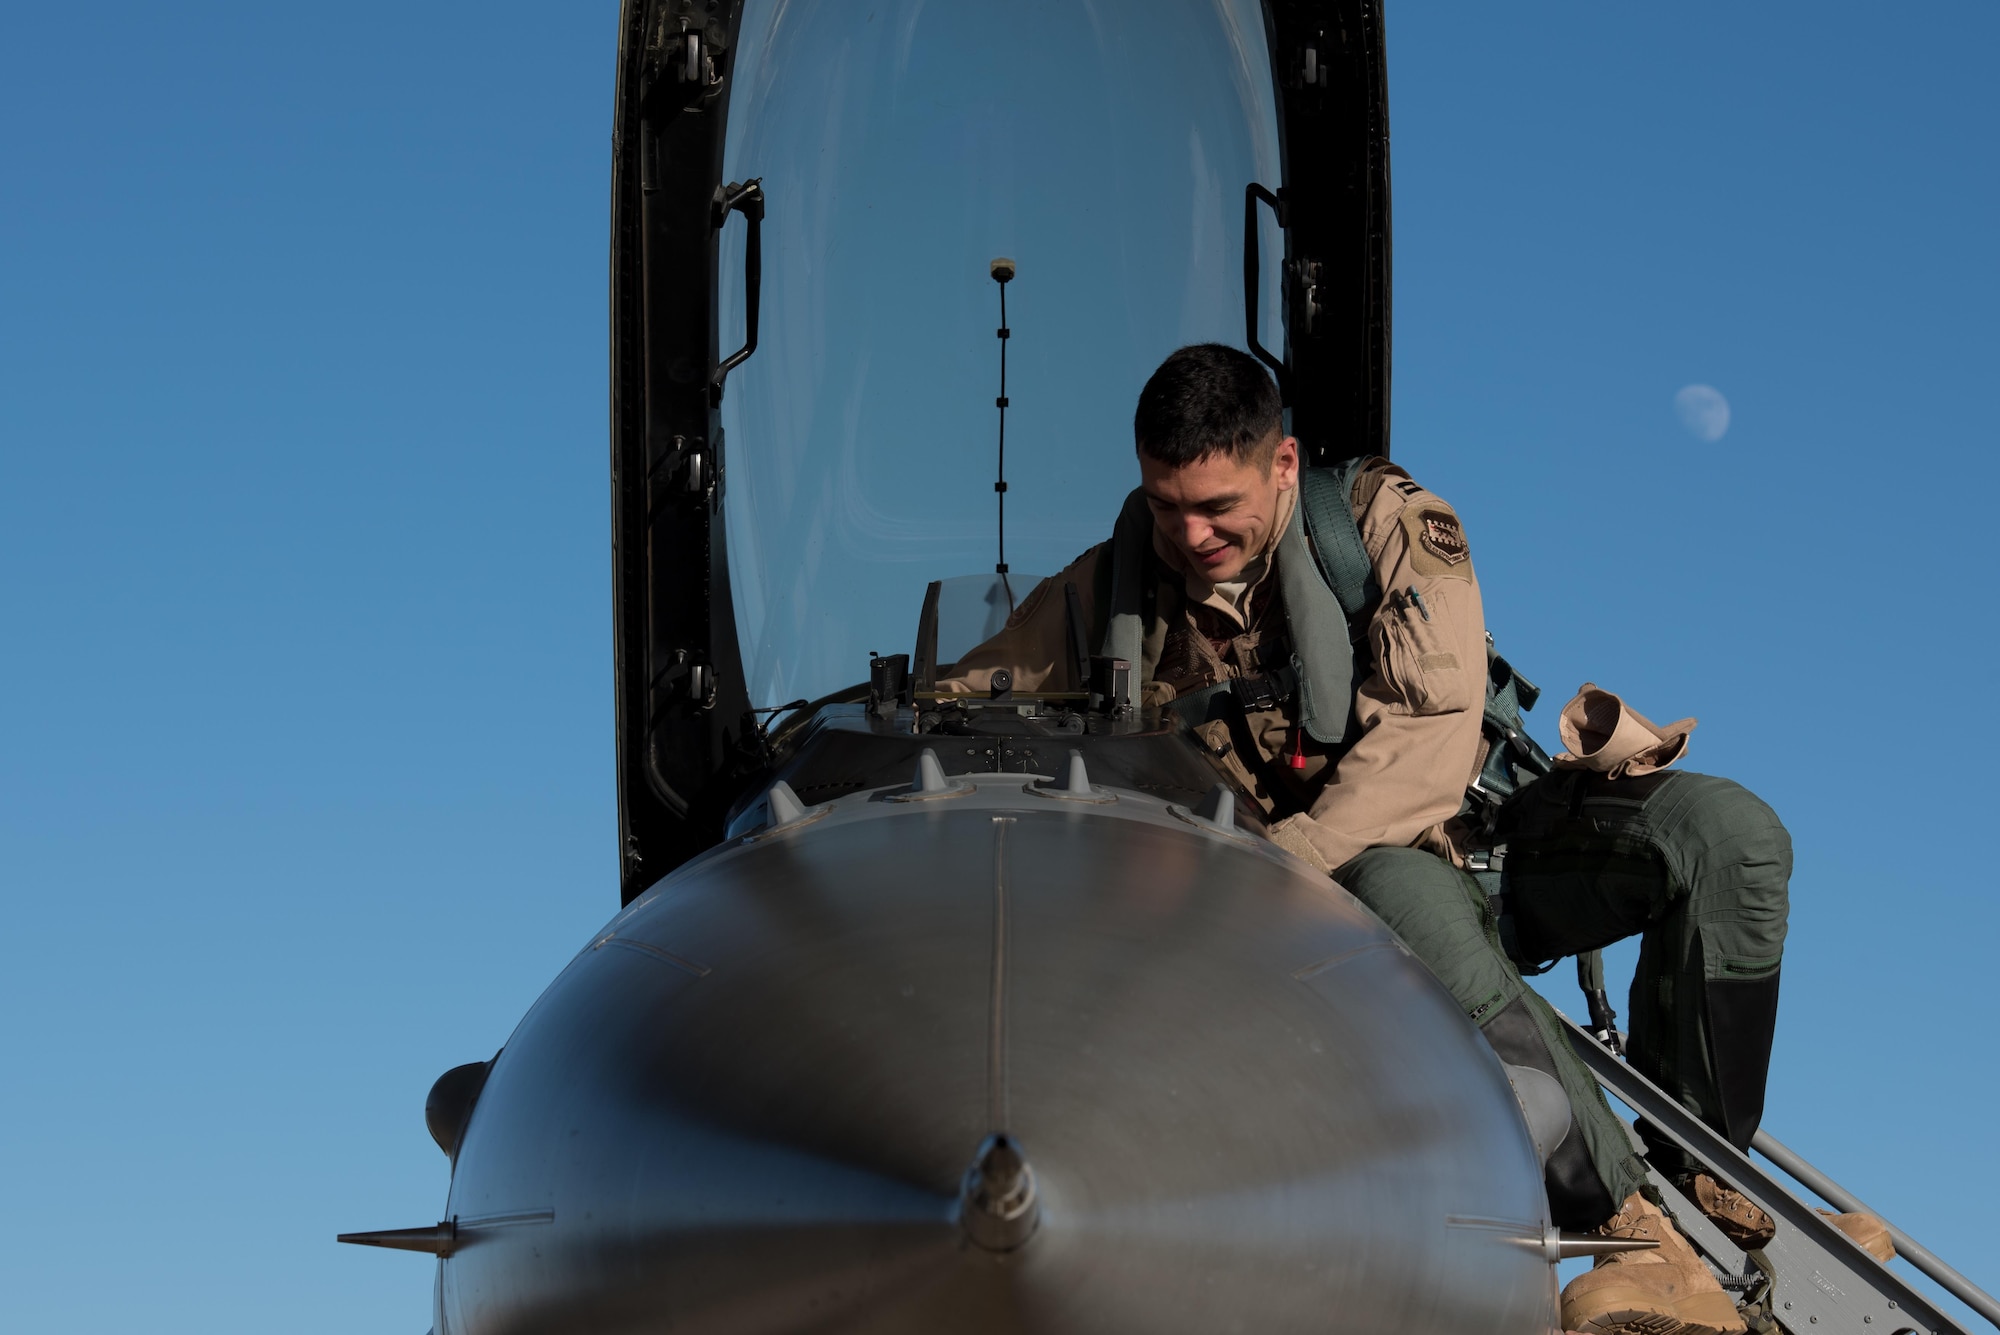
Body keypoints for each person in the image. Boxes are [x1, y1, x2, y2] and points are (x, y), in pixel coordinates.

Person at [945, 344, 1886, 1335]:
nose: (1188, 532)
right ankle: (1633, 1238)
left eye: (1215, 506)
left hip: (1462, 830)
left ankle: (1702, 1173)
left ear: (1280, 464)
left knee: (1723, 836)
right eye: (1164, 504)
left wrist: (1284, 864)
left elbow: (1426, 730)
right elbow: (962, 700)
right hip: (1359, 888)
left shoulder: (1380, 523)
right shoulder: (1108, 591)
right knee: (1410, 904)